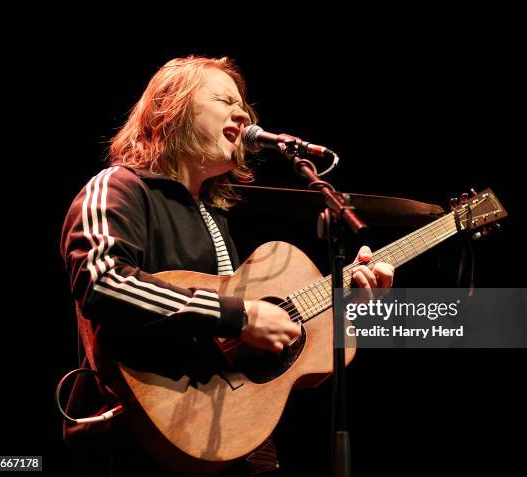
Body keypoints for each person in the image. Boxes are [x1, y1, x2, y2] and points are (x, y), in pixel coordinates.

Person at [60, 55, 394, 476]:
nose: (243, 114)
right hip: (136, 443)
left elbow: (238, 352)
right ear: (171, 110)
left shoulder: (214, 218)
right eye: (224, 100)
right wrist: (239, 315)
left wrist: (348, 306)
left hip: (237, 444)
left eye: (243, 105)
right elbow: (102, 282)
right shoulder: (118, 187)